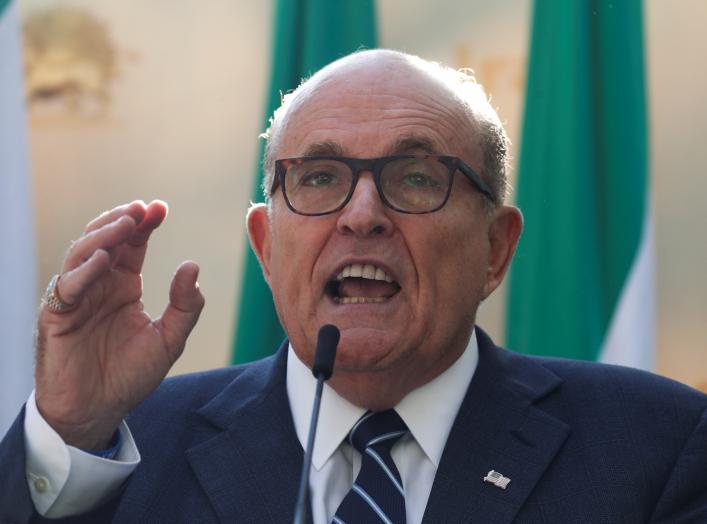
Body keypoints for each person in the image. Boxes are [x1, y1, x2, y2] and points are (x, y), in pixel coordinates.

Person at [1, 49, 706, 524]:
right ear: (268, 247)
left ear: (495, 249)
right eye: (318, 178)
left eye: (415, 179)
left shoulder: (657, 446)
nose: (362, 215)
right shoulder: (122, 451)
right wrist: (67, 432)